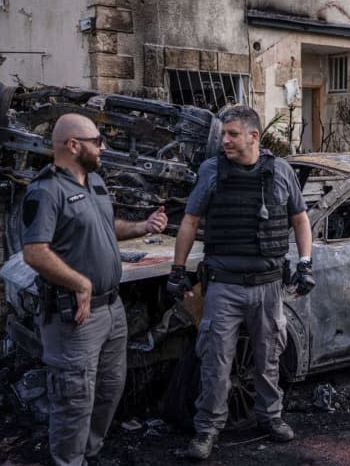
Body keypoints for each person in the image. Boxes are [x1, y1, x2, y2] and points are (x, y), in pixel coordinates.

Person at [167, 105, 314, 461]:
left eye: (232, 134)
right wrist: (178, 268)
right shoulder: (212, 171)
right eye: (224, 134)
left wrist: (306, 263)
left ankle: (270, 417)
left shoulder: (280, 171)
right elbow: (189, 220)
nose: (225, 140)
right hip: (224, 284)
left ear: (253, 136)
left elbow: (300, 217)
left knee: (268, 357)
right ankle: (207, 430)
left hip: (267, 286)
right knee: (215, 360)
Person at [22, 114, 168, 466]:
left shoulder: (96, 182)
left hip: (111, 310)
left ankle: (90, 453)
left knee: (108, 389)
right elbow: (35, 252)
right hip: (75, 316)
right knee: (74, 399)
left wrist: (141, 226)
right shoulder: (46, 190)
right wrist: (80, 283)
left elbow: (104, 225)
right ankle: (69, 460)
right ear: (73, 145)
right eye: (97, 140)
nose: (103, 146)